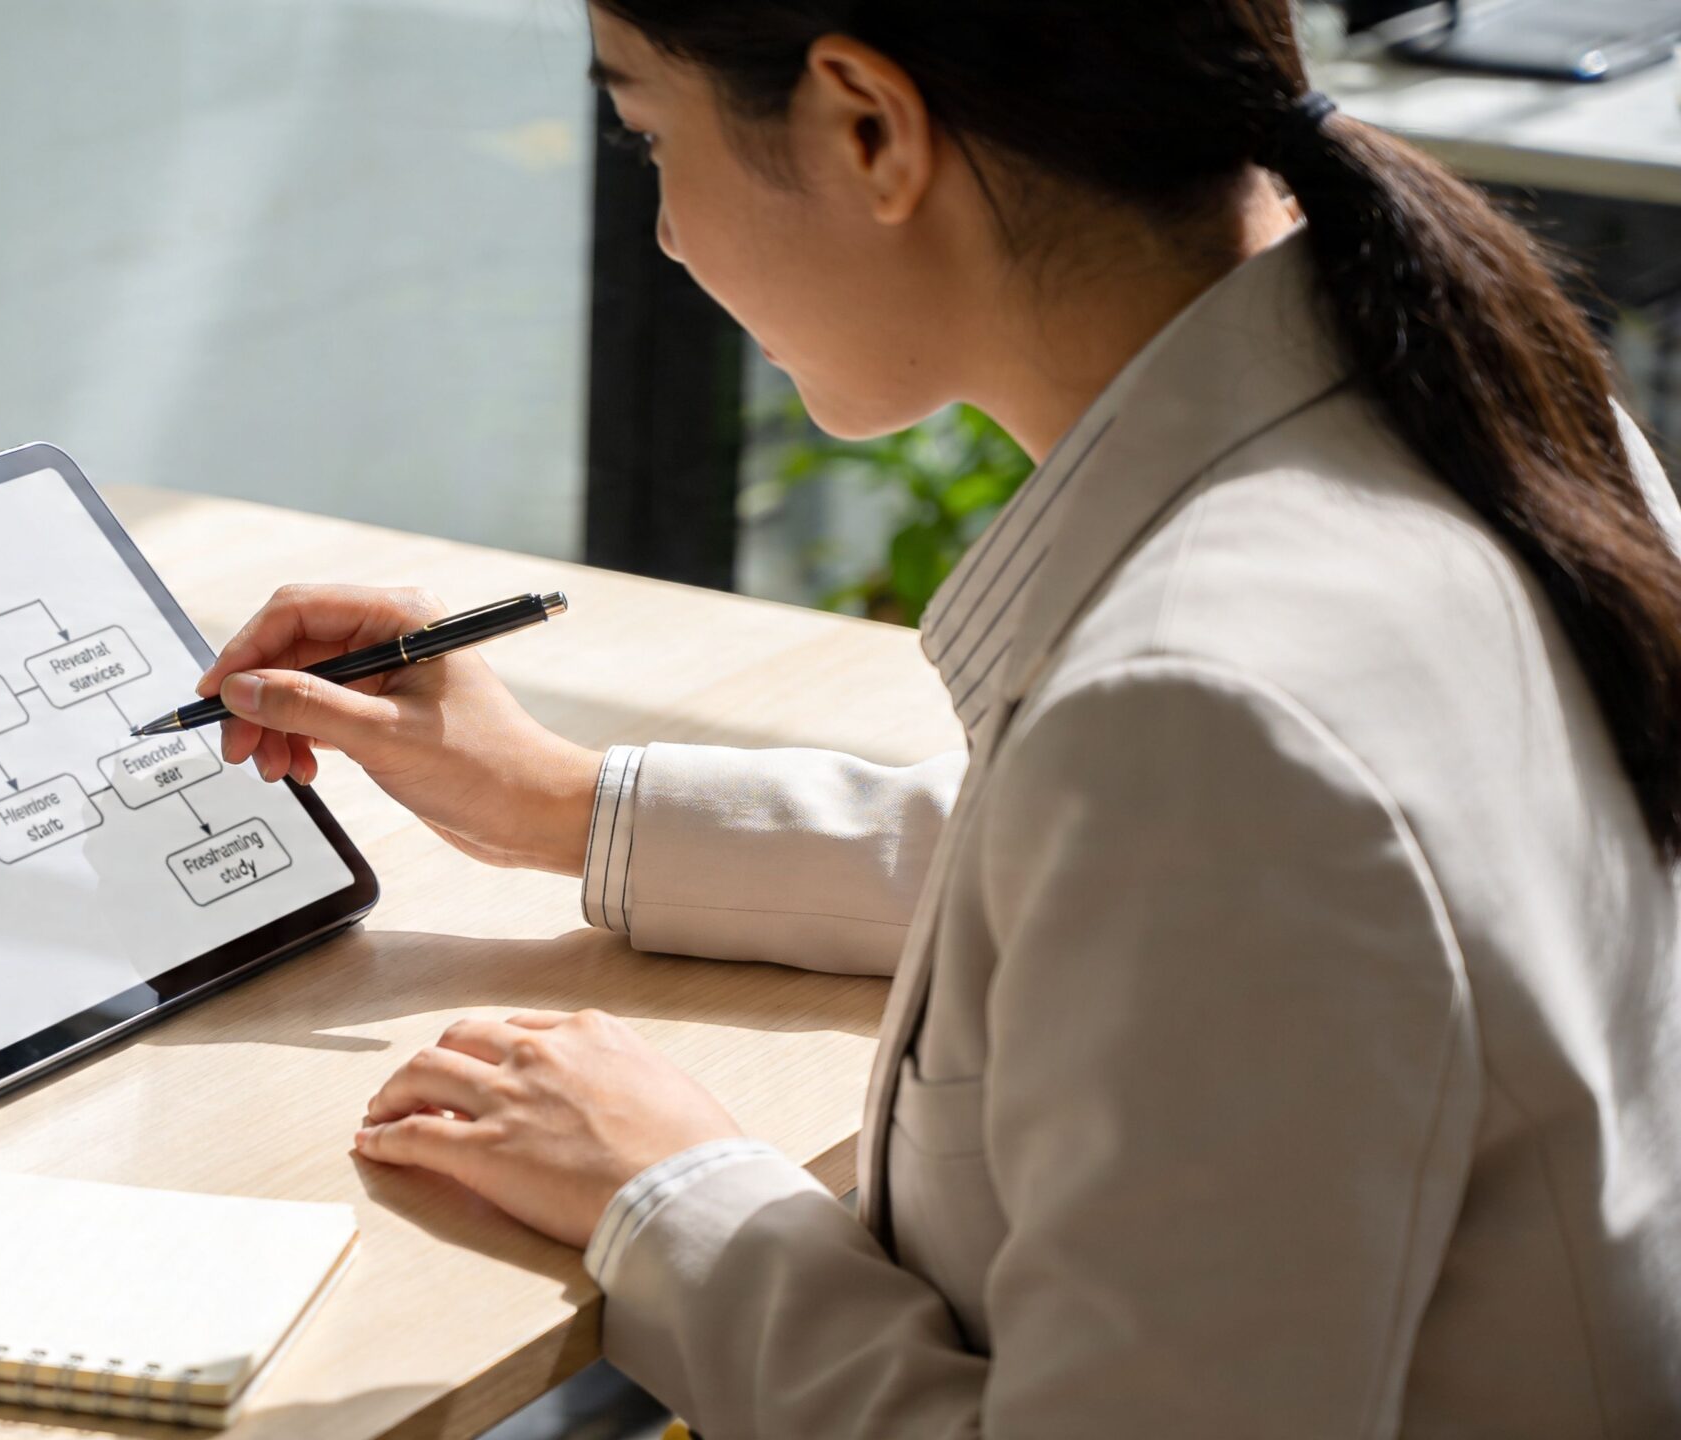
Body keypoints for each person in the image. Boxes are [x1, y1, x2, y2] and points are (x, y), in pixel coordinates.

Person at [198, 2, 1681, 1435]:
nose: (665, 235)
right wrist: (563, 804)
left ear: (869, 127)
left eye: (649, 137)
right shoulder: (1493, 411)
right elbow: (1165, 896)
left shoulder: (1204, 718)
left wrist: (671, 1195)